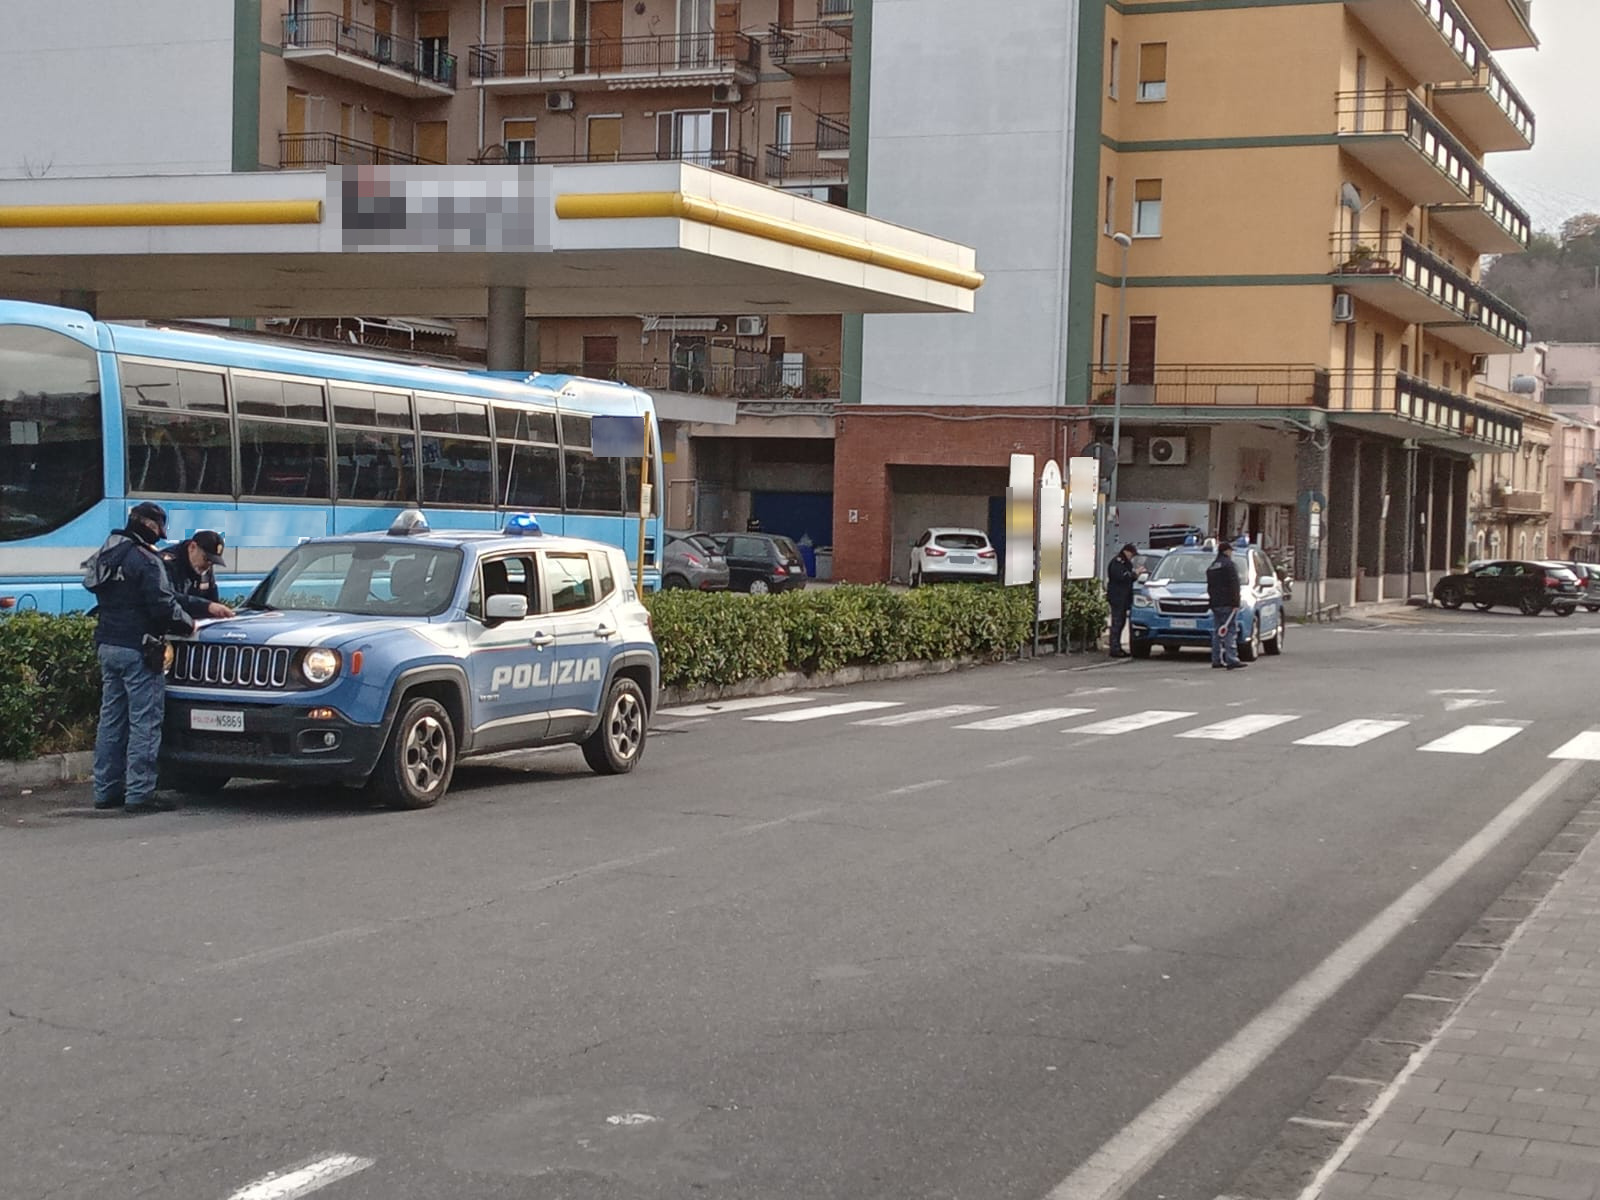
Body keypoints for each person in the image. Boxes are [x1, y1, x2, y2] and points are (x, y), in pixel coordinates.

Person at [86, 503, 232, 813]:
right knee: (145, 722)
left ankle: (106, 790)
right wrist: (188, 624)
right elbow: (163, 604)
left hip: (108, 644)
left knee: (111, 719)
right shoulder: (148, 560)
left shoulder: (109, 551)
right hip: (140, 647)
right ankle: (140, 793)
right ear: (154, 528)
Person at [1206, 540, 1247, 671]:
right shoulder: (1229, 565)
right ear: (1227, 551)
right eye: (1231, 551)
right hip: (1228, 603)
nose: (1231, 553)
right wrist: (1236, 602)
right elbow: (1234, 585)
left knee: (1218, 632)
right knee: (1230, 630)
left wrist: (1212, 602)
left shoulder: (1212, 566)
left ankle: (1216, 659)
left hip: (1215, 604)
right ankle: (1232, 659)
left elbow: (1210, 587)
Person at [161, 529, 227, 606]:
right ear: (192, 547)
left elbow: (212, 599)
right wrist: (205, 606)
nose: (208, 566)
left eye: (212, 562)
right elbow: (167, 598)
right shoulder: (167, 563)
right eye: (206, 559)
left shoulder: (204, 567)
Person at [1106, 542, 1138, 658]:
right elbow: (1122, 577)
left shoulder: (1125, 562)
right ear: (1127, 552)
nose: (1132, 557)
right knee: (1117, 623)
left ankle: (1117, 647)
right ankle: (1114, 648)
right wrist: (1134, 574)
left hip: (1123, 598)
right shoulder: (1118, 562)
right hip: (1117, 598)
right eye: (1132, 554)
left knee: (1121, 623)